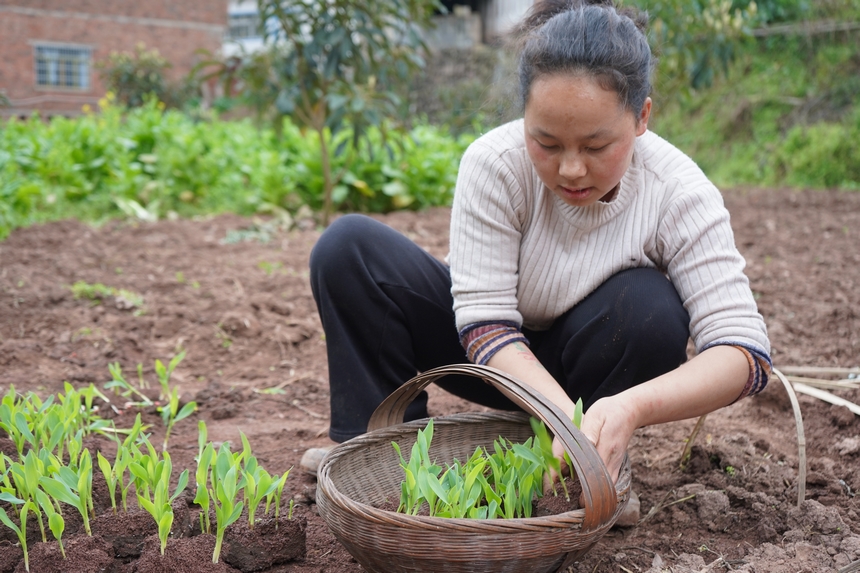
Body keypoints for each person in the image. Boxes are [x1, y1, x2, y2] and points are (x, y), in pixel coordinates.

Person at [304, 0, 771, 485]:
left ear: (641, 117)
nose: (570, 168)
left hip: (593, 376)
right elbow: (484, 324)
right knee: (348, 248)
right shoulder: (495, 163)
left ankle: (590, 463)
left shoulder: (679, 192)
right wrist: (559, 416)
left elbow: (744, 353)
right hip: (491, 360)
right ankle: (375, 458)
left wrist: (627, 407)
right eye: (546, 143)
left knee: (650, 307)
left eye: (595, 146)